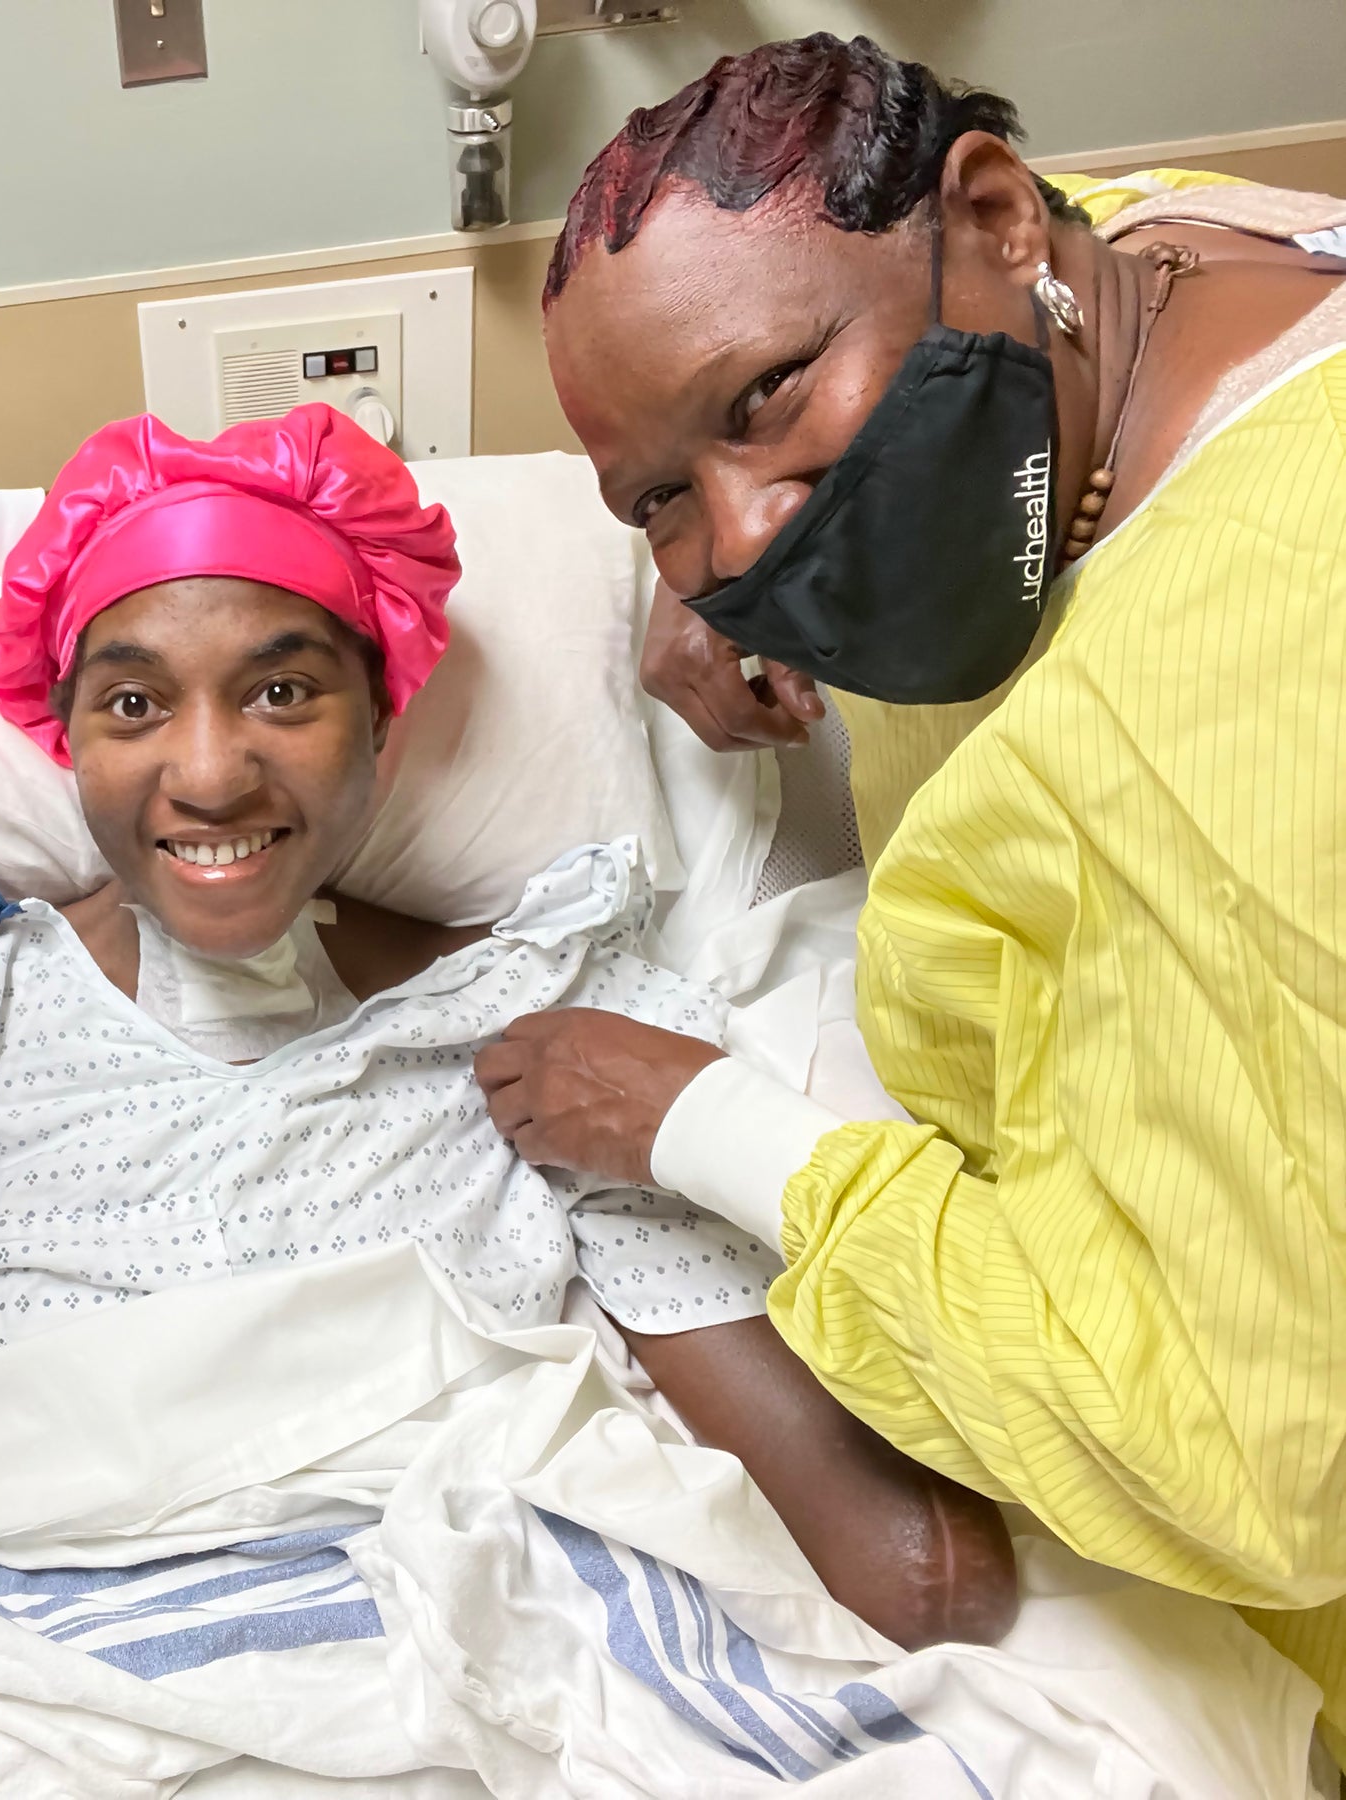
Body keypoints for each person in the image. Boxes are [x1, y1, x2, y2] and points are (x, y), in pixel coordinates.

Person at [0, 404, 1016, 1654]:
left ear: (386, 713)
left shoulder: (551, 1029)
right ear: (65, 738)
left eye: (287, 692)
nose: (214, 771)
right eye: (136, 703)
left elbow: (914, 1570)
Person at [478, 30, 1346, 1744]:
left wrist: (709, 1131)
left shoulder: (1224, 720)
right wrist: (730, 561)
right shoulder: (1157, 256)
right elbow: (863, 333)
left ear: (1000, 215)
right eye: (659, 497)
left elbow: (1243, 1461)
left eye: (767, 401)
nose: (742, 531)